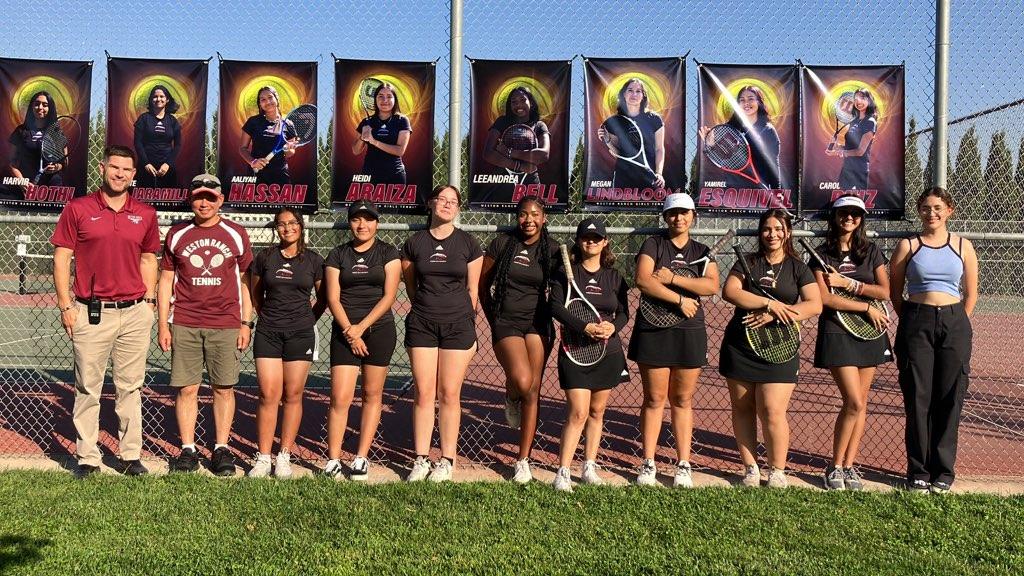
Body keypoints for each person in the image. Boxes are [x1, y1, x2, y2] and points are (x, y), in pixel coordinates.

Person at [51, 144, 158, 477]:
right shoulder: (79, 208)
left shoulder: (146, 214)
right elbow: (62, 258)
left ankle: (129, 456)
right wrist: (66, 305)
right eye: (115, 167)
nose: (120, 174)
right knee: (88, 387)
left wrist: (150, 303)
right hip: (91, 311)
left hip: (134, 312)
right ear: (102, 168)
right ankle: (87, 457)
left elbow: (149, 259)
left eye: (127, 169)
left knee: (130, 387)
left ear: (134, 174)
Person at [158, 174, 254, 477]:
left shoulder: (236, 234)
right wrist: (163, 324)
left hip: (225, 323)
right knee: (187, 389)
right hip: (185, 321)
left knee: (223, 388)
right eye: (199, 196)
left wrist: (245, 323)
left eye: (210, 197)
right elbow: (165, 281)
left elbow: (245, 282)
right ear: (191, 199)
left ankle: (221, 448)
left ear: (221, 200)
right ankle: (188, 449)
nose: (204, 202)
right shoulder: (177, 234)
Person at [720, 208, 821, 488]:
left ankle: (777, 470)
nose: (772, 234)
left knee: (772, 410)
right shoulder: (748, 262)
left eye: (778, 229)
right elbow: (731, 292)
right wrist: (767, 303)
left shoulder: (797, 267)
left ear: (787, 232)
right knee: (742, 408)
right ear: (760, 232)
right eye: (767, 229)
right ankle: (751, 469)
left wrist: (778, 313)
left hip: (781, 347)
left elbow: (814, 304)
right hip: (741, 345)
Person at [889, 187, 977, 494]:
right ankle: (919, 471)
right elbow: (895, 292)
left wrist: (956, 320)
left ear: (949, 210)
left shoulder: (963, 246)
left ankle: (943, 471)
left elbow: (971, 293)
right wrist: (916, 318)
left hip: (954, 322)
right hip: (917, 320)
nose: (932, 213)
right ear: (919, 211)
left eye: (938, 207)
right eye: (926, 208)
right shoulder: (908, 246)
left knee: (949, 397)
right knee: (918, 397)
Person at [630, 192, 719, 488]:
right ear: (665, 217)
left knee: (682, 399)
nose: (678, 218)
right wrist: (680, 299)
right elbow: (643, 279)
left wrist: (673, 279)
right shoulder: (653, 244)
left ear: (693, 215)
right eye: (672, 213)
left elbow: (711, 286)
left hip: (688, 332)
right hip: (653, 329)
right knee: (654, 399)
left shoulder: (703, 250)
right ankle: (649, 463)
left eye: (684, 212)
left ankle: (683, 464)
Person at [810, 194, 892, 491]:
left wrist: (851, 285)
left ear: (861, 219)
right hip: (837, 331)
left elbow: (884, 291)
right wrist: (864, 305)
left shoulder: (871, 252)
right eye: (843, 213)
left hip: (870, 332)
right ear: (835, 216)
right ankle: (834, 466)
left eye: (855, 214)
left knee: (861, 403)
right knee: (853, 401)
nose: (849, 218)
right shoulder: (821, 254)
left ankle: (848, 466)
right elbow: (824, 298)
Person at [401, 185, 483, 482]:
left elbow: (473, 289)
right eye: (442, 200)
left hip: (457, 326)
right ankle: (421, 459)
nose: (447, 205)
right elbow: (411, 285)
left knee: (449, 393)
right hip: (422, 323)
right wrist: (427, 307)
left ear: (458, 209)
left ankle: (447, 460)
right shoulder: (414, 243)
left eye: (453, 202)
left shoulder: (469, 244)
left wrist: (465, 319)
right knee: (424, 393)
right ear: (431, 204)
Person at [478, 196, 558, 483]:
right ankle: (511, 395)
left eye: (535, 214)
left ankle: (522, 460)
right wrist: (493, 319)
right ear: (517, 217)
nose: (529, 220)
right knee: (522, 382)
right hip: (506, 321)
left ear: (544, 218)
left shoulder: (553, 249)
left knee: (533, 390)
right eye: (523, 214)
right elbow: (482, 285)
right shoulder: (502, 244)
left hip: (538, 324)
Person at [322, 200, 401, 481]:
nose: (362, 225)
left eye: (368, 220)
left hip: (379, 330)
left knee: (371, 395)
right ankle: (332, 459)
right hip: (345, 331)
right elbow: (332, 297)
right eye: (357, 219)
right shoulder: (337, 254)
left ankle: (360, 458)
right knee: (340, 397)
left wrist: (362, 328)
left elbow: (389, 296)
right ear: (350, 223)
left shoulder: (388, 253)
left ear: (377, 223)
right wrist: (350, 331)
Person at [550, 218, 630, 493]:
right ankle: (562, 472)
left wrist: (612, 327)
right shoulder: (565, 273)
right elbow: (556, 307)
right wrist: (584, 327)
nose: (591, 242)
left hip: (607, 352)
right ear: (579, 241)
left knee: (597, 411)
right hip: (574, 351)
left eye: (597, 238)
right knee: (578, 412)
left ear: (605, 242)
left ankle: (589, 467)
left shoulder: (615, 277)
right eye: (586, 238)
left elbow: (623, 313)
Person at [247, 207, 326, 479]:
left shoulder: (314, 260)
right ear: (275, 229)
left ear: (301, 227)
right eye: (281, 224)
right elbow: (256, 295)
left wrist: (306, 319)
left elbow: (323, 298)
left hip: (300, 334)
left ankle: (284, 455)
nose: (287, 228)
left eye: (292, 223)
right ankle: (263, 457)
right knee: (268, 394)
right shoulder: (265, 258)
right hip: (268, 332)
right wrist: (269, 317)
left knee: (292, 395)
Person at [699, 85, 782, 191]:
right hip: (734, 190)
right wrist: (711, 144)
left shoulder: (768, 130)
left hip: (760, 191)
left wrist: (777, 190)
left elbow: (773, 164)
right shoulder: (730, 128)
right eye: (742, 100)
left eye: (751, 99)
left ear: (759, 102)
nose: (746, 103)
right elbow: (722, 158)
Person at [597, 78, 666, 189]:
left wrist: (659, 173)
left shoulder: (654, 119)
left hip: (650, 179)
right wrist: (608, 139)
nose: (634, 94)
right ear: (623, 94)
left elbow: (659, 149)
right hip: (623, 179)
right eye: (630, 90)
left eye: (638, 91)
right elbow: (617, 152)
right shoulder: (614, 122)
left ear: (643, 95)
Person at [482, 86, 550, 184]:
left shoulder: (539, 125)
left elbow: (544, 155)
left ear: (531, 103)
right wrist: (519, 166)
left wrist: (509, 152)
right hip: (503, 182)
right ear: (510, 106)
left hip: (530, 182)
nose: (519, 105)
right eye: (514, 102)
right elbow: (488, 153)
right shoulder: (502, 122)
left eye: (523, 100)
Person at [351, 82, 411, 184]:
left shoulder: (402, 120)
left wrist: (374, 141)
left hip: (395, 175)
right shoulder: (366, 122)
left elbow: (400, 150)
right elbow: (355, 151)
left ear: (394, 99)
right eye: (380, 96)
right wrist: (362, 137)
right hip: (369, 175)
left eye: (389, 96)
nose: (385, 100)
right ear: (375, 99)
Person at [239, 86, 297, 186]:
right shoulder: (253, 122)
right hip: (256, 177)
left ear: (276, 99)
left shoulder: (288, 124)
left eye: (270, 97)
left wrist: (288, 150)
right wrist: (253, 162)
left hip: (280, 177)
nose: (268, 101)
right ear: (260, 104)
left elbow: (290, 152)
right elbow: (242, 148)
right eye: (263, 99)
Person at [9, 91, 65, 191]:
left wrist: (57, 167)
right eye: (37, 104)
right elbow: (11, 162)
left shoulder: (57, 133)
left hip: (52, 189)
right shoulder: (21, 131)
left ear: (50, 108)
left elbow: (64, 162)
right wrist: (22, 181)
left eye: (45, 105)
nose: (40, 107)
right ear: (32, 107)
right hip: (26, 187)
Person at [826, 88, 877, 190]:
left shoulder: (870, 122)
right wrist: (837, 146)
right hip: (847, 169)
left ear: (869, 100)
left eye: (862, 98)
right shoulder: (854, 121)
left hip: (859, 172)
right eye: (856, 99)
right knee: (843, 202)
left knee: (856, 204)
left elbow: (860, 151)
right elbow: (850, 147)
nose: (859, 101)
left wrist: (838, 153)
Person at [133, 85, 182, 189]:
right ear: (151, 100)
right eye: (155, 97)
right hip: (146, 167)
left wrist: (168, 164)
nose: (158, 99)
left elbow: (178, 145)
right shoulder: (143, 119)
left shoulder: (173, 121)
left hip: (166, 168)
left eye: (162, 96)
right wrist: (146, 163)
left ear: (167, 99)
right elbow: (138, 143)